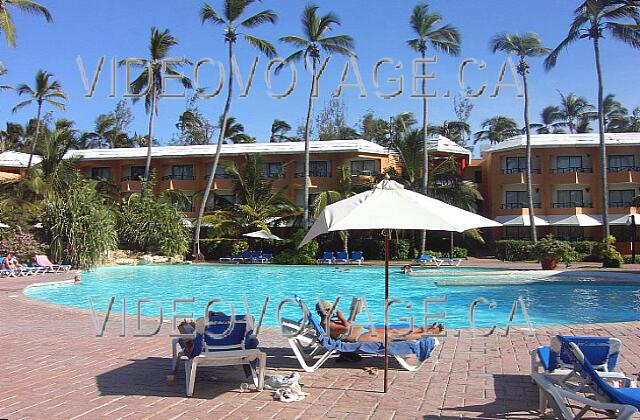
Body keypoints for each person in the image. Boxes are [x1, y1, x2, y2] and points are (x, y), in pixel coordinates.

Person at [315, 300, 443, 343]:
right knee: (395, 335)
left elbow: (347, 325)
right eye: (332, 308)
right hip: (360, 337)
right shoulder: (328, 324)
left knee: (394, 330)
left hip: (363, 331)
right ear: (326, 312)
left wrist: (353, 312)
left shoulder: (329, 321)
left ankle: (424, 328)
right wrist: (342, 317)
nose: (335, 309)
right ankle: (429, 333)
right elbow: (346, 327)